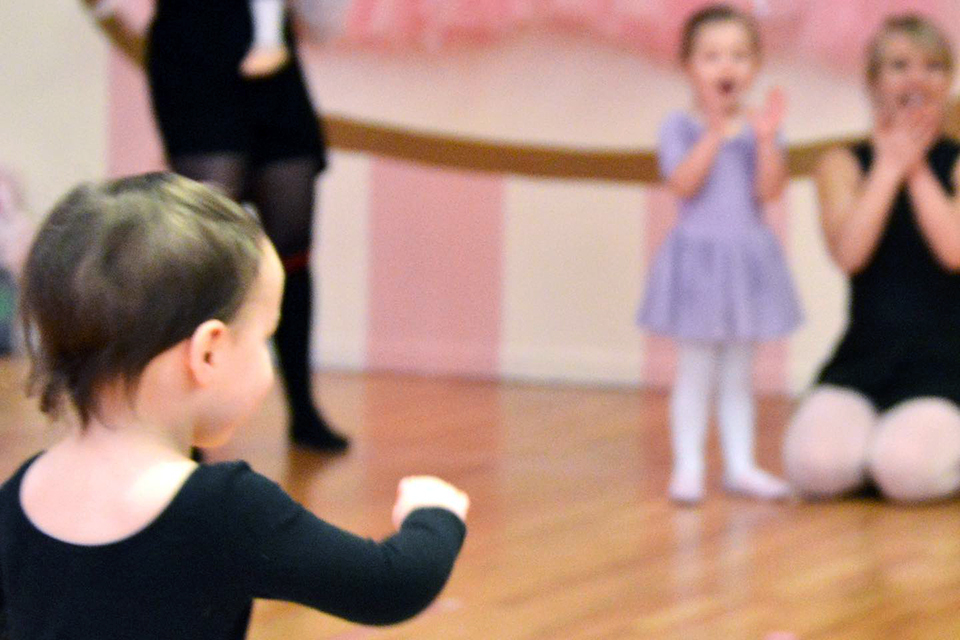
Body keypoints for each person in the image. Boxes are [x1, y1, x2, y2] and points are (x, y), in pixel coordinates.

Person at [0, 173, 469, 639]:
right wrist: (434, 516)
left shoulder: (21, 495)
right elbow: (388, 585)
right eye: (265, 338)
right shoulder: (224, 508)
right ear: (209, 353)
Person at [80, 0, 349, 451]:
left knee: (293, 242)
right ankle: (185, 423)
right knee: (198, 247)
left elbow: (323, 21)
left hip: (274, 67)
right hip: (193, 53)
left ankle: (303, 408)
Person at [784, 15, 960, 503]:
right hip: (864, 361)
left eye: (933, 67)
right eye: (899, 66)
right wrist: (887, 167)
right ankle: (877, 442)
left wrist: (917, 167)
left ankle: (911, 447)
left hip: (945, 367)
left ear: (947, 81)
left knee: (906, 473)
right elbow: (850, 254)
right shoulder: (841, 164)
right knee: (813, 469)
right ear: (874, 81)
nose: (916, 79)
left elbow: (954, 251)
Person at [639, 4, 800, 504]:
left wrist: (767, 142)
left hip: (746, 263)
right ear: (688, 66)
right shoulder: (680, 126)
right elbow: (682, 183)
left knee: (738, 374)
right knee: (696, 370)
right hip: (700, 265)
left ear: (755, 66)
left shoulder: (760, 129)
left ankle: (740, 464)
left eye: (738, 55)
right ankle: (688, 465)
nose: (726, 67)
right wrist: (713, 131)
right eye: (711, 56)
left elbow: (769, 191)